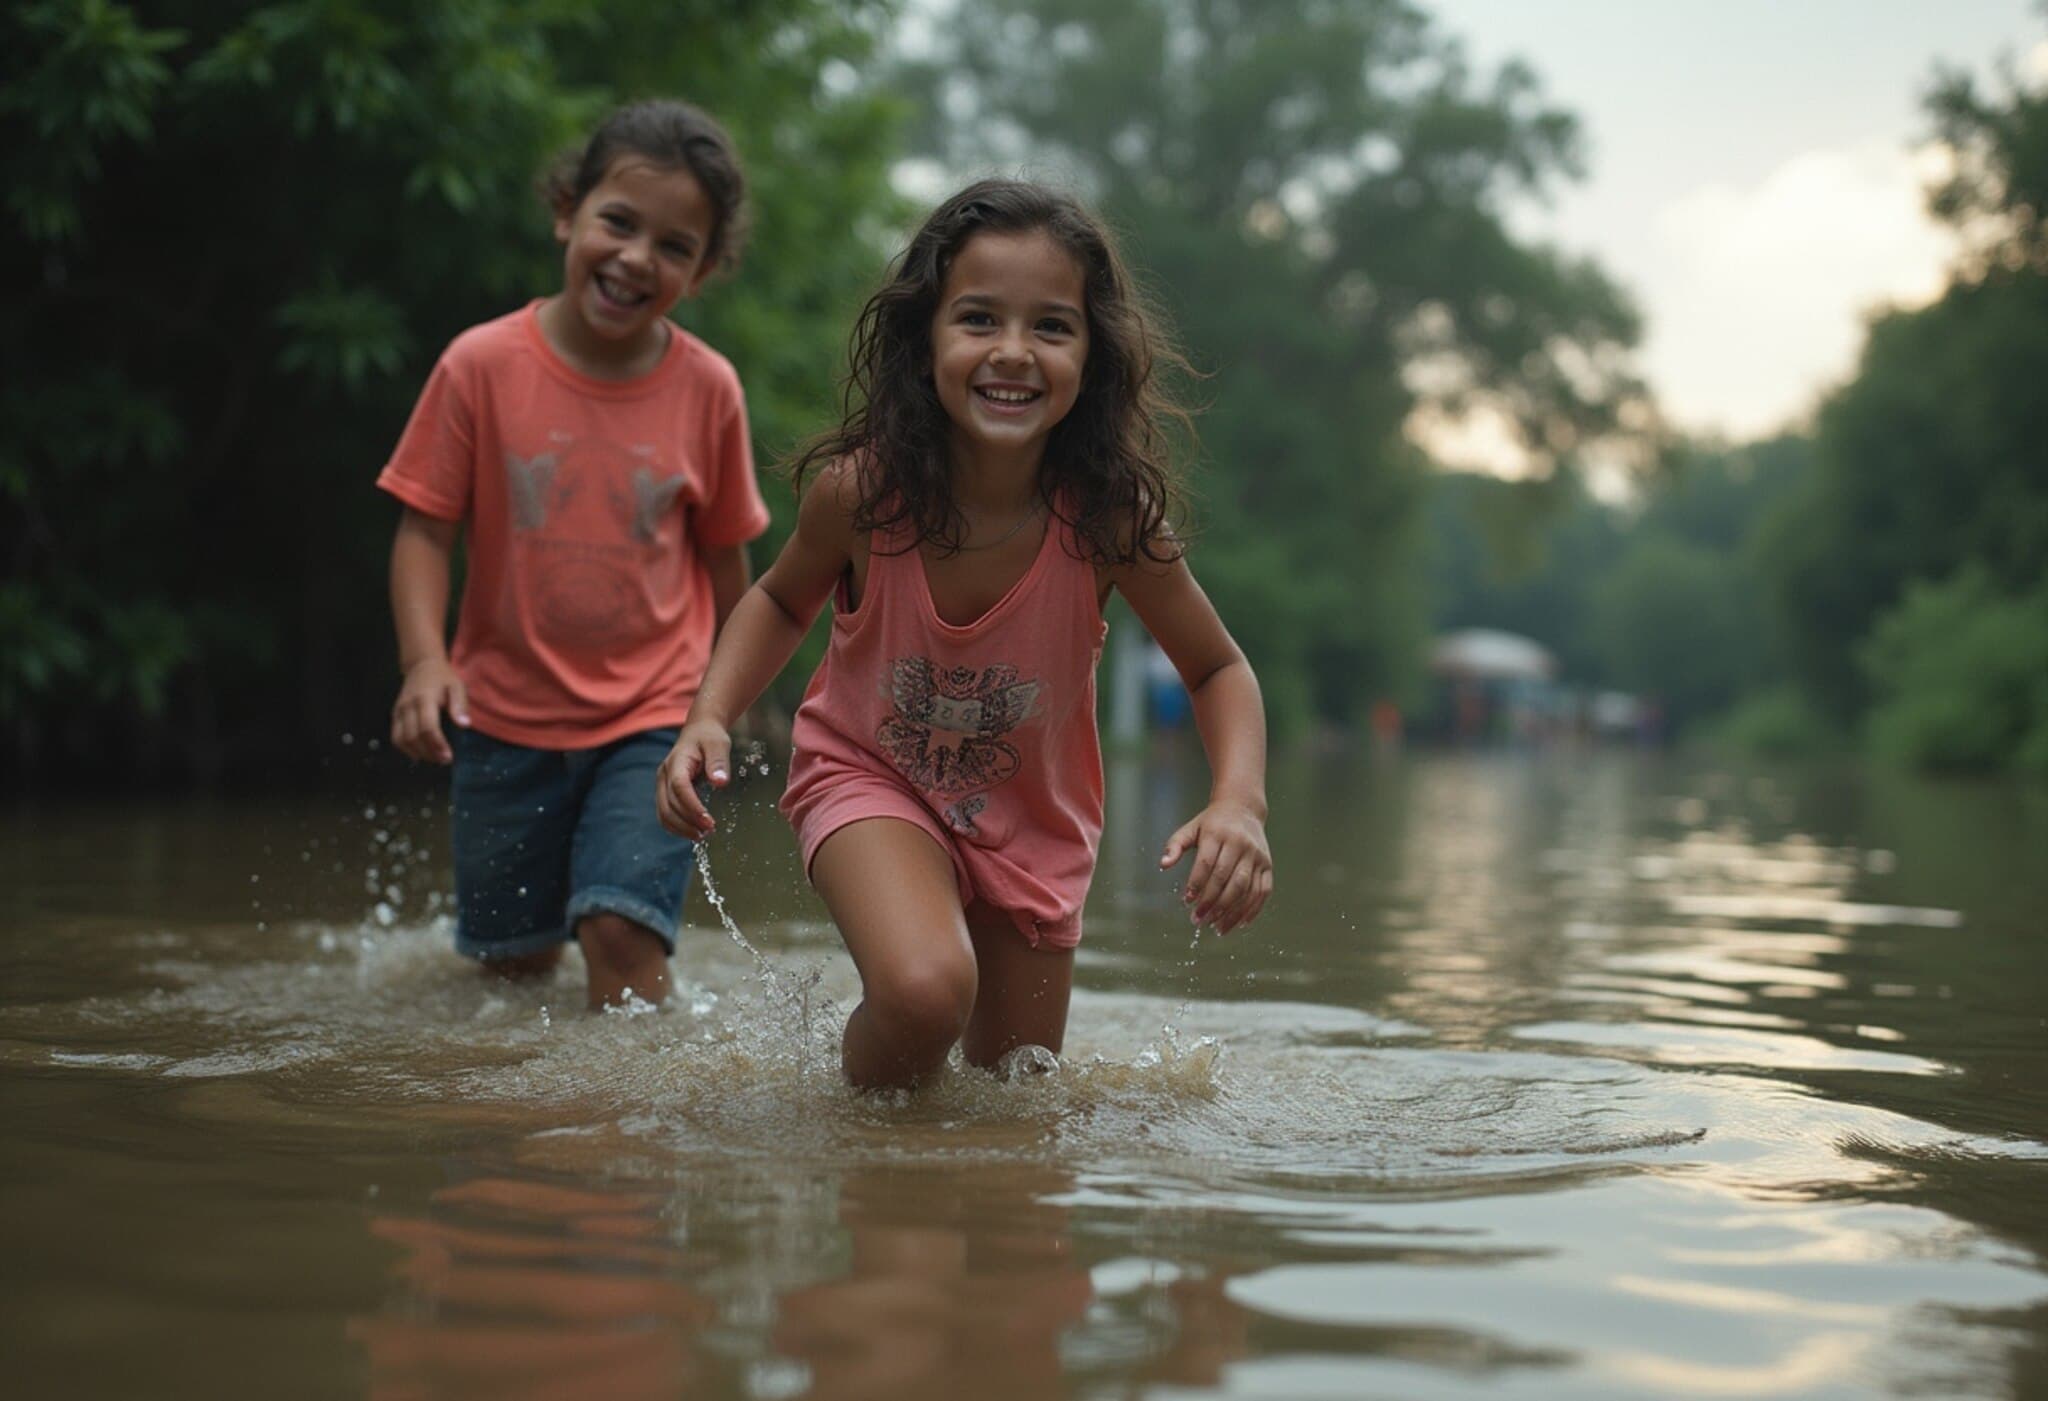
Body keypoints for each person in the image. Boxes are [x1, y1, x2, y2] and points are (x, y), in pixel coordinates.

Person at [656, 179, 1271, 1088]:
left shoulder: (1107, 518)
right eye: (979, 319)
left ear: (1092, 356)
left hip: (1034, 826)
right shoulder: (863, 494)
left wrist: (1240, 802)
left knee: (1014, 1092)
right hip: (868, 775)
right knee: (923, 990)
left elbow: (1216, 665)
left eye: (1052, 327)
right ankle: (848, 1145)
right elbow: (783, 602)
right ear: (926, 338)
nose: (1013, 353)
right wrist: (710, 712)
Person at [379, 100, 769, 1009]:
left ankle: (630, 1142)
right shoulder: (479, 365)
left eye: (675, 246)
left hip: (652, 715)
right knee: (513, 970)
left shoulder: (709, 389)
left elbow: (726, 570)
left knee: (621, 935)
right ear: (567, 209)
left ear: (703, 271)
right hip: (502, 717)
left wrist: (722, 704)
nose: (637, 258)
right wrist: (424, 661)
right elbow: (424, 531)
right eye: (618, 222)